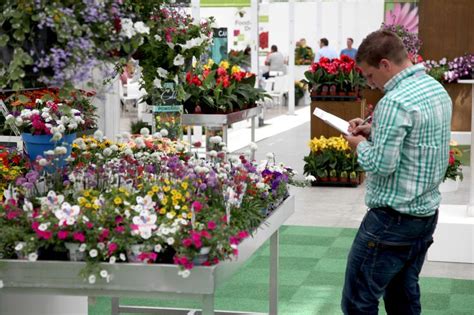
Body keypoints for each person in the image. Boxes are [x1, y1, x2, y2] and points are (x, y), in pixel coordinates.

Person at [342, 30, 452, 314]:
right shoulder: (434, 89)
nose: (371, 84)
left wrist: (358, 144)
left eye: (369, 76)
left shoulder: (395, 101)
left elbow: (381, 165)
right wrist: (374, 131)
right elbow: (416, 143)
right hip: (425, 214)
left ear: (384, 65)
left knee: (357, 301)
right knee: (403, 296)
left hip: (391, 220)